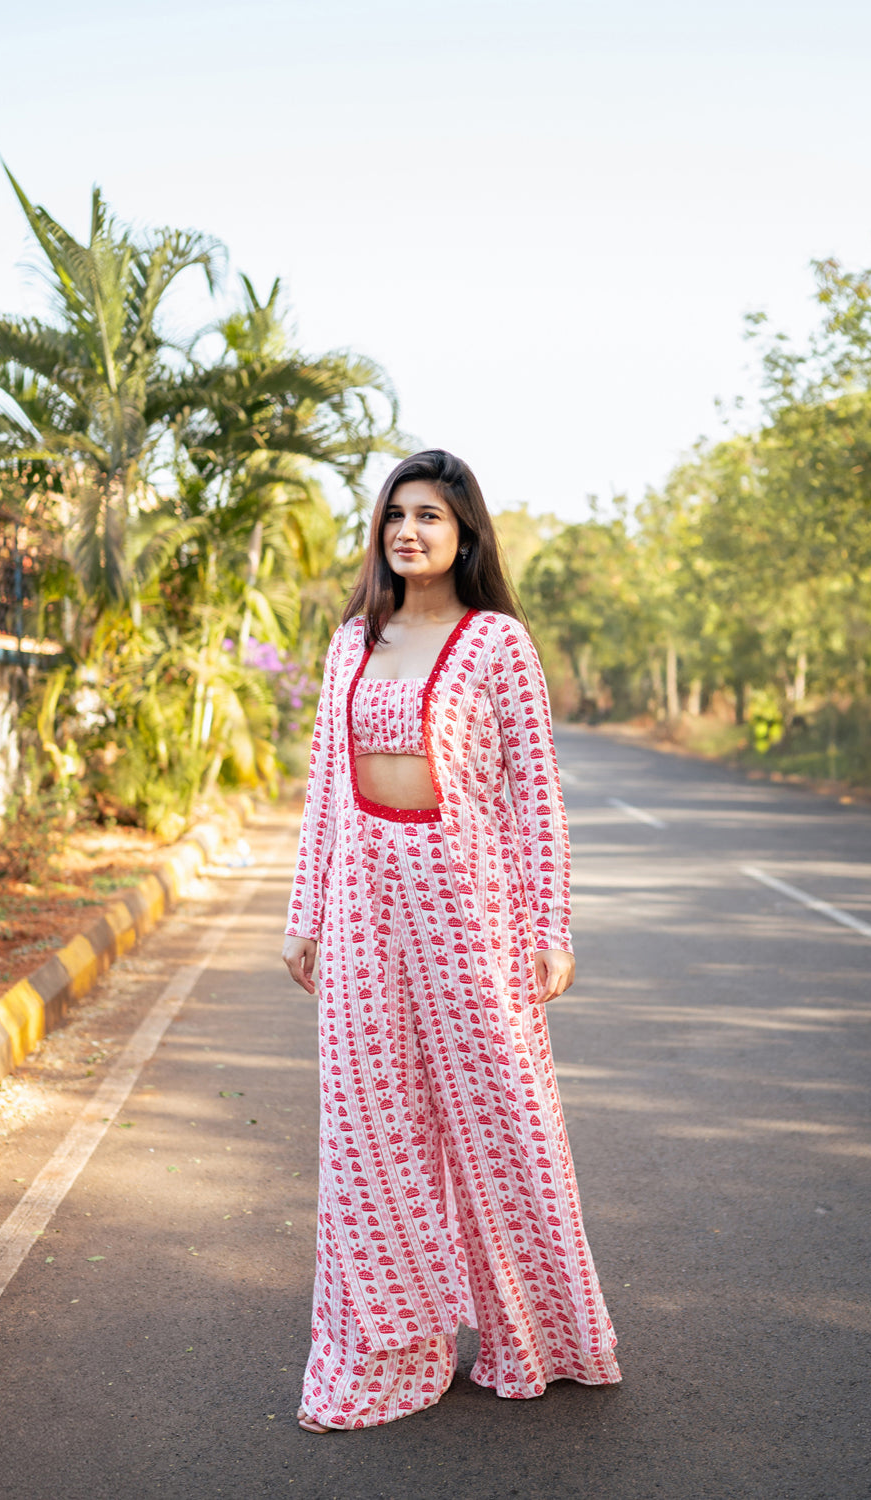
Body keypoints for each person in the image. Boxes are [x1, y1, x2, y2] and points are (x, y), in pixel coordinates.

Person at [282, 450, 620, 1432]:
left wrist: (547, 927)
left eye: (430, 515)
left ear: (465, 533)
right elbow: (321, 794)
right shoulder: (354, 640)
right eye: (396, 514)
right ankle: (386, 1354)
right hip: (360, 904)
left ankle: (538, 1335)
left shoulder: (496, 643)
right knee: (365, 1129)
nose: (409, 531)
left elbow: (535, 796)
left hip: (467, 904)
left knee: (502, 1115)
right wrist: (305, 913)